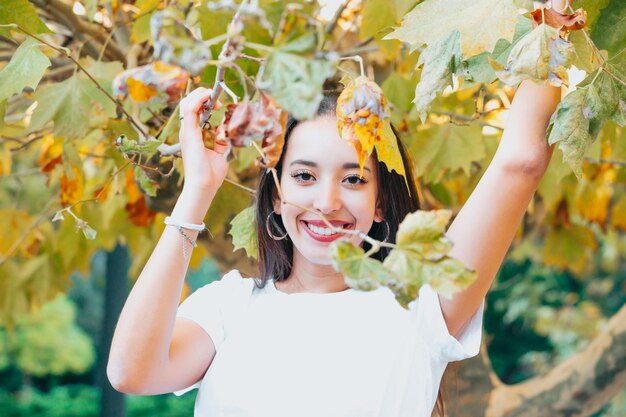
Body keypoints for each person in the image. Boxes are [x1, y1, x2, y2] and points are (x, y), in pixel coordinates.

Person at [107, 43, 562, 417]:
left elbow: (520, 161)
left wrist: (549, 30)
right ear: (277, 191)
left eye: (354, 179)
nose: (326, 203)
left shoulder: (423, 303)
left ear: (381, 199)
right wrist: (198, 191)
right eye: (304, 176)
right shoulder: (228, 308)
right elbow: (132, 372)